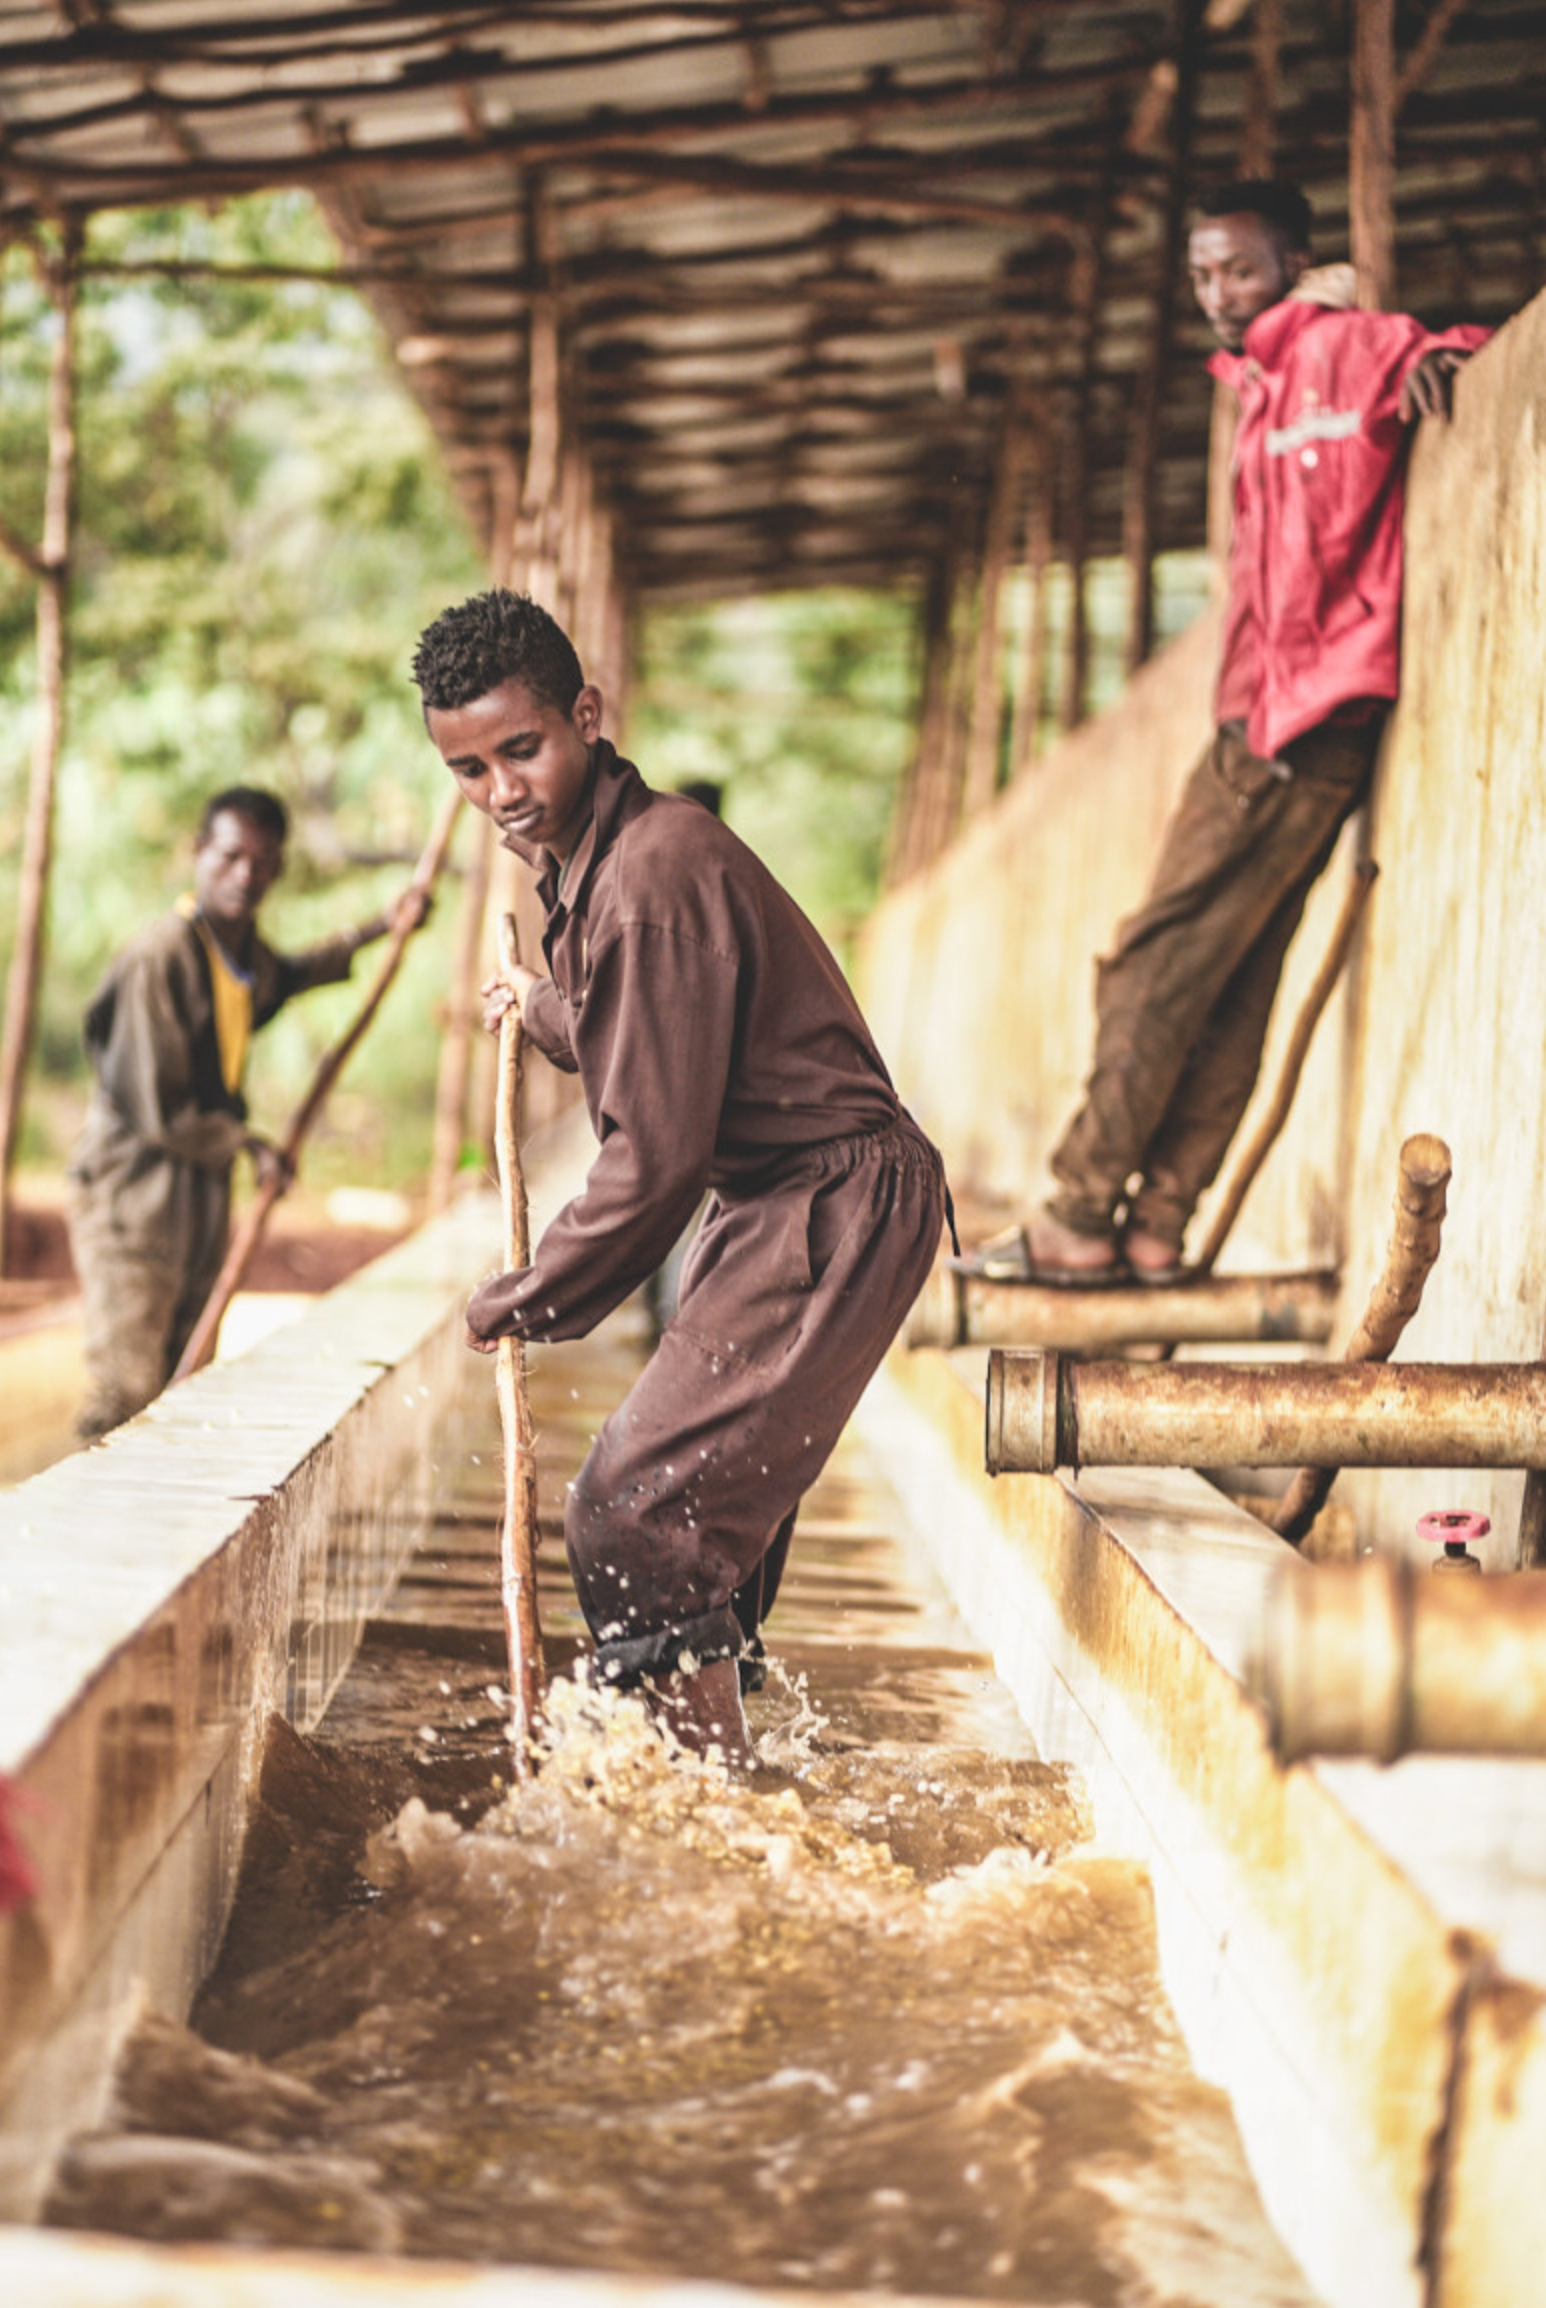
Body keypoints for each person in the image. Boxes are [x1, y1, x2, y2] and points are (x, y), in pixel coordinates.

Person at [412, 589, 946, 1763]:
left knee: (635, 1511)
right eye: (468, 770)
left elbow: (654, 1162)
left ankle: (706, 1810)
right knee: (691, 1520)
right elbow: (622, 1018)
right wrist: (539, 1006)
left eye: (523, 748)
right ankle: (721, 1773)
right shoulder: (599, 867)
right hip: (783, 1205)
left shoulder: (650, 877)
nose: (501, 790)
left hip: (830, 1205)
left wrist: (526, 1293)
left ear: (586, 717)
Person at [961, 178, 1491, 1287]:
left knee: (1149, 965)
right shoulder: (1254, 384)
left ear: (1291, 262)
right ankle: (1156, 1224)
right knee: (1235, 977)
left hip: (1292, 725)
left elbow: (1438, 351)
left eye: (1237, 270)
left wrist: (1438, 361)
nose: (1215, 293)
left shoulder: (1341, 347)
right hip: (1279, 716)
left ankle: (1074, 1210)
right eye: (1201, 274)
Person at [66, 785, 428, 1438]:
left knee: (185, 1375)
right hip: (134, 1199)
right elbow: (159, 1105)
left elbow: (284, 977)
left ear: (279, 869)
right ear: (198, 852)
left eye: (262, 862)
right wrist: (249, 1144)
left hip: (198, 1197)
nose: (246, 876)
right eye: (231, 857)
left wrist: (379, 925)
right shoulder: (161, 958)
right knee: (125, 1387)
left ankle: (167, 1528)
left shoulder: (235, 952)